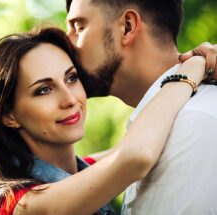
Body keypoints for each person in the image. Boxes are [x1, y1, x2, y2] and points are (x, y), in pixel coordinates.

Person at [0, 27, 208, 215]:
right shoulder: (22, 206)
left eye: (71, 78)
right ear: (9, 115)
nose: (70, 99)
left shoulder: (80, 170)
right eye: (44, 90)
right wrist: (191, 69)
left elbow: (133, 146)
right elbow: (134, 156)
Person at [65, 0, 217, 214]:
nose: (66, 44)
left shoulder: (191, 125)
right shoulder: (160, 128)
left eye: (79, 27)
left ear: (127, 27)